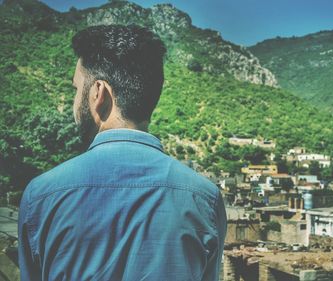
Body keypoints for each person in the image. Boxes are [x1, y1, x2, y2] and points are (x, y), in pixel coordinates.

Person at [17, 24, 226, 281]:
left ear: (98, 94)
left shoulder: (41, 196)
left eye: (75, 90)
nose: (73, 104)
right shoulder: (205, 199)